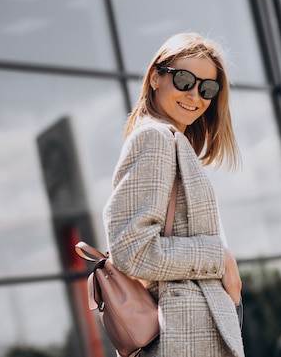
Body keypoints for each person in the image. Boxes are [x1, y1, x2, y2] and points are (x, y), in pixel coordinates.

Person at [103, 32, 245, 357]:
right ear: (156, 77)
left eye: (207, 89)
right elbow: (132, 249)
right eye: (184, 80)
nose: (195, 95)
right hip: (185, 335)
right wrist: (218, 258)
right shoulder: (154, 139)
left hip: (198, 326)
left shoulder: (174, 143)